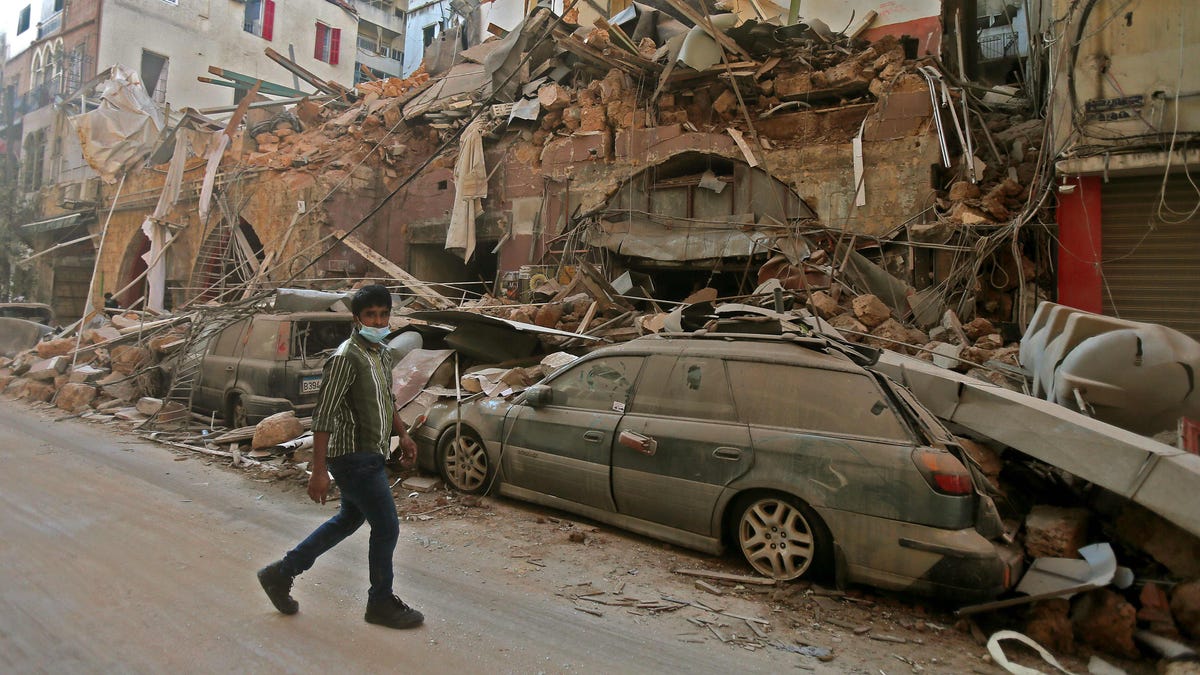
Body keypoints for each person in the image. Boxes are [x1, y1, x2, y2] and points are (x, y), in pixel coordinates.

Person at [257, 285, 423, 629]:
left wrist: (403, 434)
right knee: (387, 526)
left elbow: (386, 399)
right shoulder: (346, 356)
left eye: (383, 314)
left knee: (349, 519)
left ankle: (281, 572)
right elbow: (323, 416)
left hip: (371, 453)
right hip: (352, 457)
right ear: (356, 318)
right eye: (370, 315)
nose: (378, 321)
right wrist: (317, 471)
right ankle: (380, 602)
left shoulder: (380, 353)